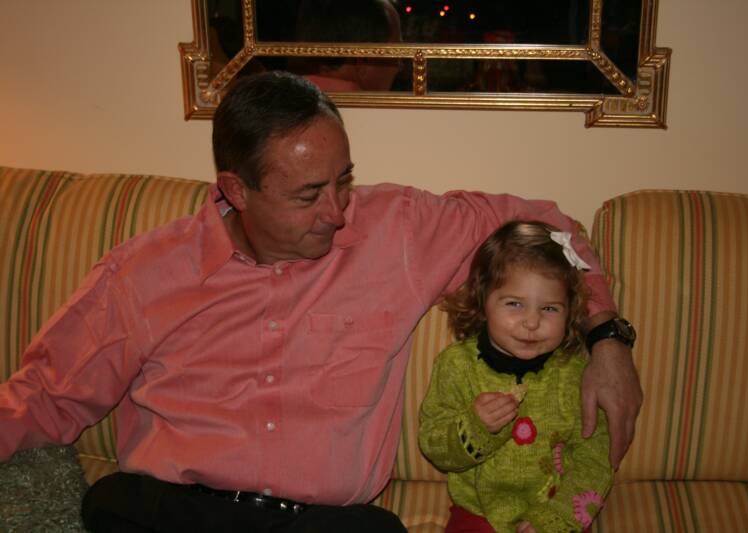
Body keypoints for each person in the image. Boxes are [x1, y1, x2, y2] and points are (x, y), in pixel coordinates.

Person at [0, 71, 640, 532]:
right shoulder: (143, 273)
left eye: (344, 181)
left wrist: (607, 337)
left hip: (325, 524)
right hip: (171, 513)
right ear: (237, 191)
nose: (336, 211)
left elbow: (553, 232)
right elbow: (46, 395)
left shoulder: (396, 232)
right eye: (309, 195)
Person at [419, 221, 614, 533]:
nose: (532, 322)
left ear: (570, 311)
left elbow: (595, 458)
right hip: (478, 511)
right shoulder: (456, 366)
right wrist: (473, 427)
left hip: (556, 511)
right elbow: (433, 444)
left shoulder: (576, 374)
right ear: (483, 299)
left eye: (549, 309)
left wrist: (557, 518)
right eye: (515, 304)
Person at [290, 0, 404, 91]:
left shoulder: (287, 98)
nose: (400, 67)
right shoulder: (370, 112)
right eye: (396, 52)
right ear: (364, 58)